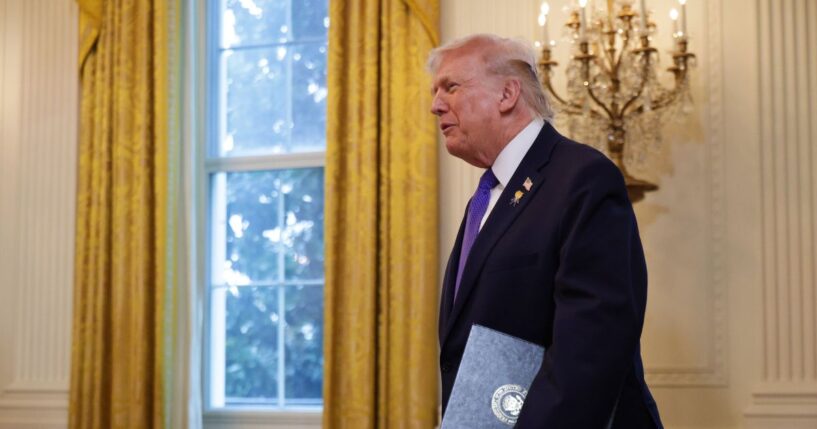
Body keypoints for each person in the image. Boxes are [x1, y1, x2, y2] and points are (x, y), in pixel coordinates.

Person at [429, 34, 664, 428]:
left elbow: (591, 349)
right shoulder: (486, 199)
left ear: (507, 94)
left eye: (450, 87)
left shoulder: (584, 178)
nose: (435, 105)